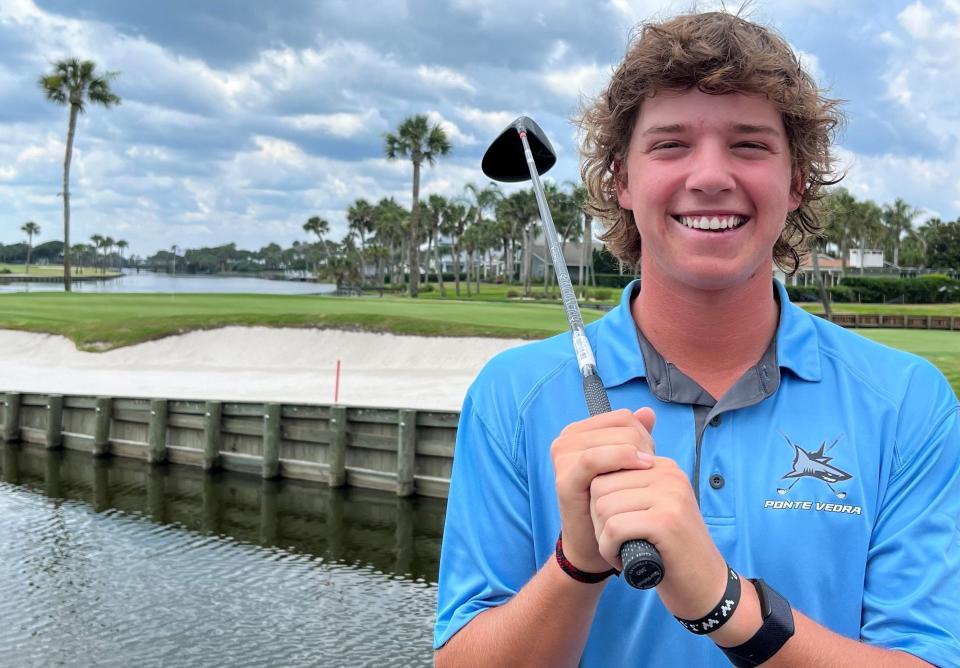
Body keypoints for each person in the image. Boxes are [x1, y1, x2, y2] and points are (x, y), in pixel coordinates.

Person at [433, 10, 959, 668]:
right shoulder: (512, 395)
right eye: (671, 144)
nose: (710, 175)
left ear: (796, 181)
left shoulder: (907, 401)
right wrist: (577, 562)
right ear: (621, 179)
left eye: (748, 144)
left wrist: (725, 603)